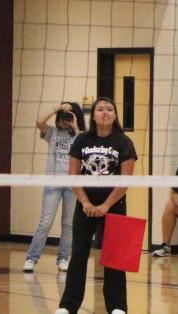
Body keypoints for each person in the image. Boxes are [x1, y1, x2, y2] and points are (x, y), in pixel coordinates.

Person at [55, 97, 136, 314]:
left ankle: (118, 307)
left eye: (110, 109)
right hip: (85, 206)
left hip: (115, 204)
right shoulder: (82, 140)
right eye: (100, 109)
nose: (105, 112)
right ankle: (68, 306)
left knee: (115, 257)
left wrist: (106, 205)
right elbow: (74, 176)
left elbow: (125, 181)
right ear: (94, 115)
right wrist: (85, 202)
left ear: (115, 115)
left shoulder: (124, 142)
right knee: (79, 255)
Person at [25, 101, 84, 273]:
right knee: (45, 222)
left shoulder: (80, 136)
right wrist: (58, 108)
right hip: (53, 184)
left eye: (70, 115)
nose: (66, 118)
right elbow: (39, 123)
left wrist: (75, 125)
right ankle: (31, 258)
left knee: (68, 224)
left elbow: (84, 147)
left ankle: (63, 259)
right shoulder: (52, 132)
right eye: (64, 115)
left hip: (72, 186)